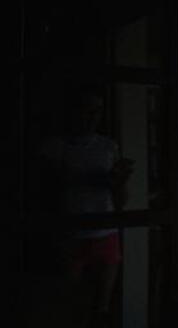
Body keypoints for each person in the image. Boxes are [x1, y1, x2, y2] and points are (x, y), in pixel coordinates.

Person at [35, 84, 134, 327]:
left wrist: (119, 182)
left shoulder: (108, 147)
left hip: (105, 232)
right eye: (87, 110)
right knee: (68, 306)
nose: (92, 117)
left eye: (97, 111)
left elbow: (121, 197)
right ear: (73, 111)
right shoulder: (54, 147)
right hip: (71, 234)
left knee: (102, 309)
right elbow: (45, 190)